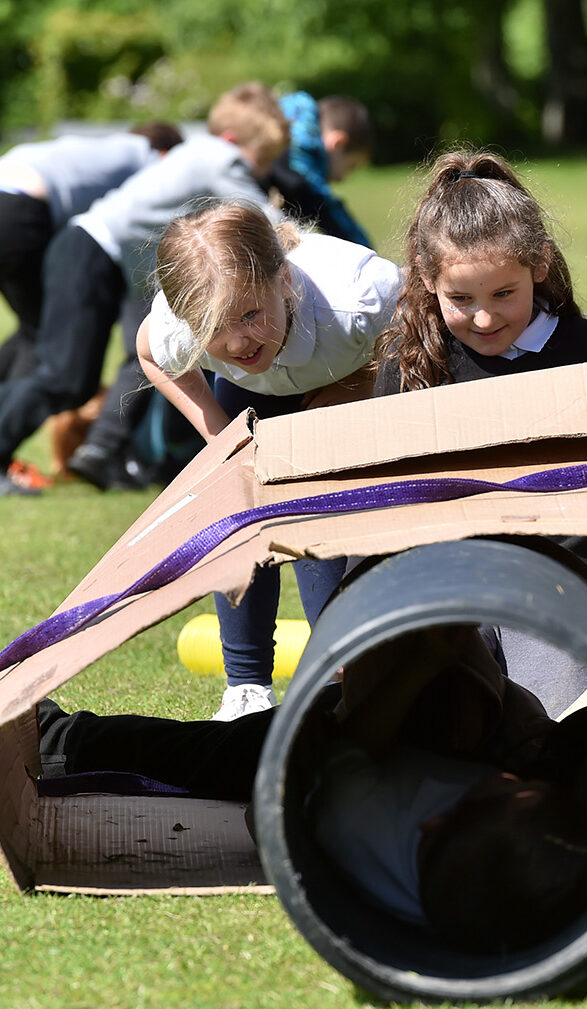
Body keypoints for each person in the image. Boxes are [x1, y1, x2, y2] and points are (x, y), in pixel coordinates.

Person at [36, 624, 587, 952]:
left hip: (320, 761)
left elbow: (350, 745)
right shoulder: (508, 858)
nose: (502, 781)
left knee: (212, 752)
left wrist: (417, 668)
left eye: (492, 789)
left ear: (435, 818)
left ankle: (60, 738)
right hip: (432, 764)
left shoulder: (361, 815)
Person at [372, 147, 587, 712]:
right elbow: (376, 509)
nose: (484, 318)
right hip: (446, 603)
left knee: (577, 740)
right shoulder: (409, 368)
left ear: (541, 265)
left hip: (562, 603)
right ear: (426, 279)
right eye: (461, 299)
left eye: (504, 293)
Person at [136, 201, 401, 721]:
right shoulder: (178, 322)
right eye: (214, 327)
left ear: (283, 281)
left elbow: (425, 326)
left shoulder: (360, 294)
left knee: (318, 521)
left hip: (341, 378)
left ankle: (336, 672)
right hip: (248, 392)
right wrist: (218, 431)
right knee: (240, 516)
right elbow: (150, 355)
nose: (236, 341)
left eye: (250, 315)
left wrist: (358, 383)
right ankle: (246, 685)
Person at [0, 82, 289, 498]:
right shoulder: (217, 155)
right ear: (233, 141)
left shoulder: (195, 155)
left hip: (104, 256)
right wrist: (313, 246)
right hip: (90, 250)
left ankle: (105, 453)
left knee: (137, 354)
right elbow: (259, 216)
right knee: (65, 376)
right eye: (261, 159)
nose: (259, 171)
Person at [0, 121, 184, 490]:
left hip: (12, 203)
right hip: (19, 209)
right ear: (166, 153)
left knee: (34, 337)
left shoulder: (103, 149)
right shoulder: (149, 162)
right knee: (63, 370)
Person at [271, 92, 374, 247]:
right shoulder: (299, 157)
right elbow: (328, 211)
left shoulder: (284, 121)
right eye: (351, 166)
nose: (342, 179)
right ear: (338, 142)